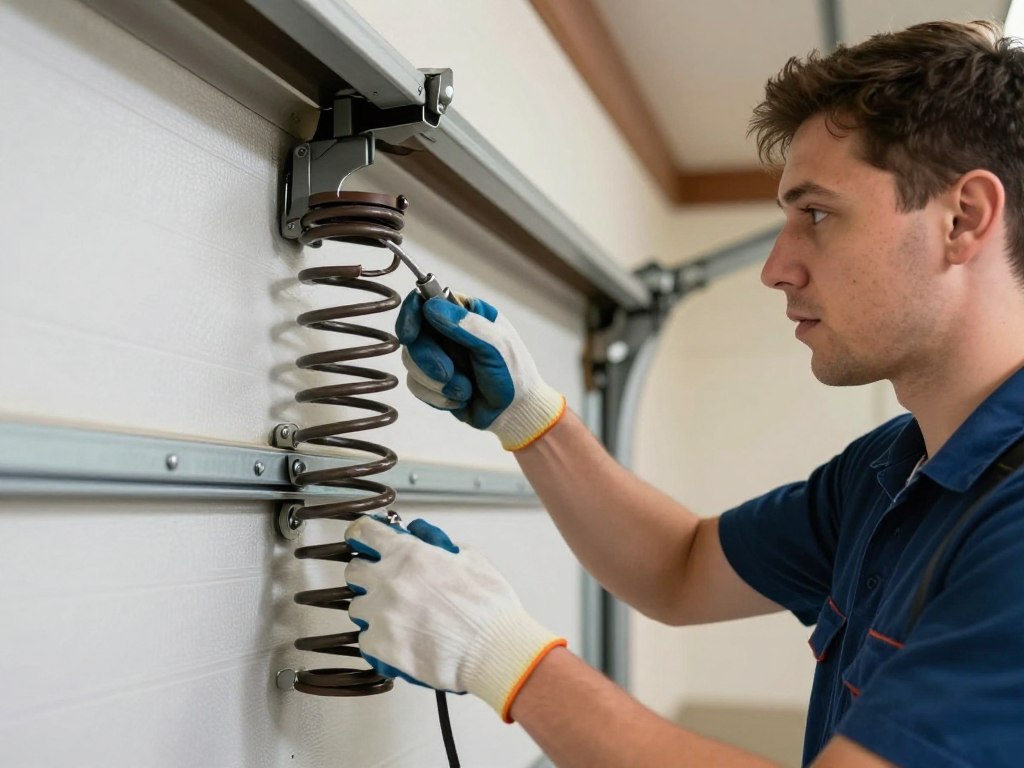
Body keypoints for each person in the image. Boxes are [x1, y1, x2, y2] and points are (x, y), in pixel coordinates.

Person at [343, 19, 1024, 767]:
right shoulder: (894, 471)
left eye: (817, 214)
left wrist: (503, 656)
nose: (776, 267)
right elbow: (682, 568)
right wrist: (529, 416)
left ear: (963, 219)